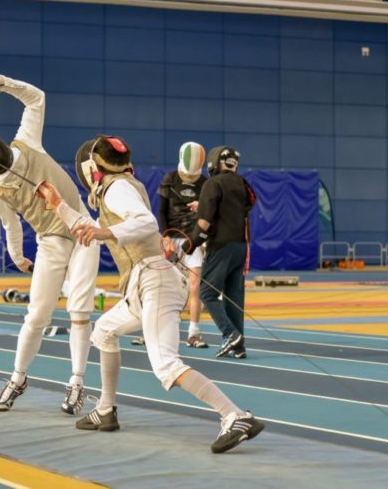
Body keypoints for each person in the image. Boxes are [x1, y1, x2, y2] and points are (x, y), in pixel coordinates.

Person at [37, 135, 263, 453]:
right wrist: (58, 205)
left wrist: (104, 232)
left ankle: (234, 415)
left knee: (165, 364)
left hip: (154, 281)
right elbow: (90, 225)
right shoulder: (119, 188)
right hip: (143, 285)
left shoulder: (117, 189)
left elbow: (142, 222)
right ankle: (105, 409)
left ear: (91, 168)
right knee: (103, 331)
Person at [0, 72, 100, 416]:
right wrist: (18, 257)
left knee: (79, 311)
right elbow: (10, 226)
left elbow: (36, 97)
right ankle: (18, 377)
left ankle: (77, 383)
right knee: (37, 315)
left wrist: (0, 83)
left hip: (84, 228)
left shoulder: (26, 140)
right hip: (52, 241)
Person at [183, 146, 256, 359]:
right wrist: (204, 204)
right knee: (233, 297)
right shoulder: (242, 184)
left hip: (221, 246)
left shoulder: (212, 183)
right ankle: (239, 345)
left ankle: (230, 333)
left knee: (207, 292)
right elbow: (230, 209)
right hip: (241, 246)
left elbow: (204, 223)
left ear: (214, 163)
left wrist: (191, 244)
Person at [157, 141, 209, 348]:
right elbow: (161, 211)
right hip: (171, 241)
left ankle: (194, 333)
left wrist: (199, 240)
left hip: (193, 241)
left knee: (194, 287)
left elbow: (208, 216)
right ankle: (157, 329)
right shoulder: (169, 179)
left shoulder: (205, 183)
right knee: (164, 287)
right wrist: (165, 236)